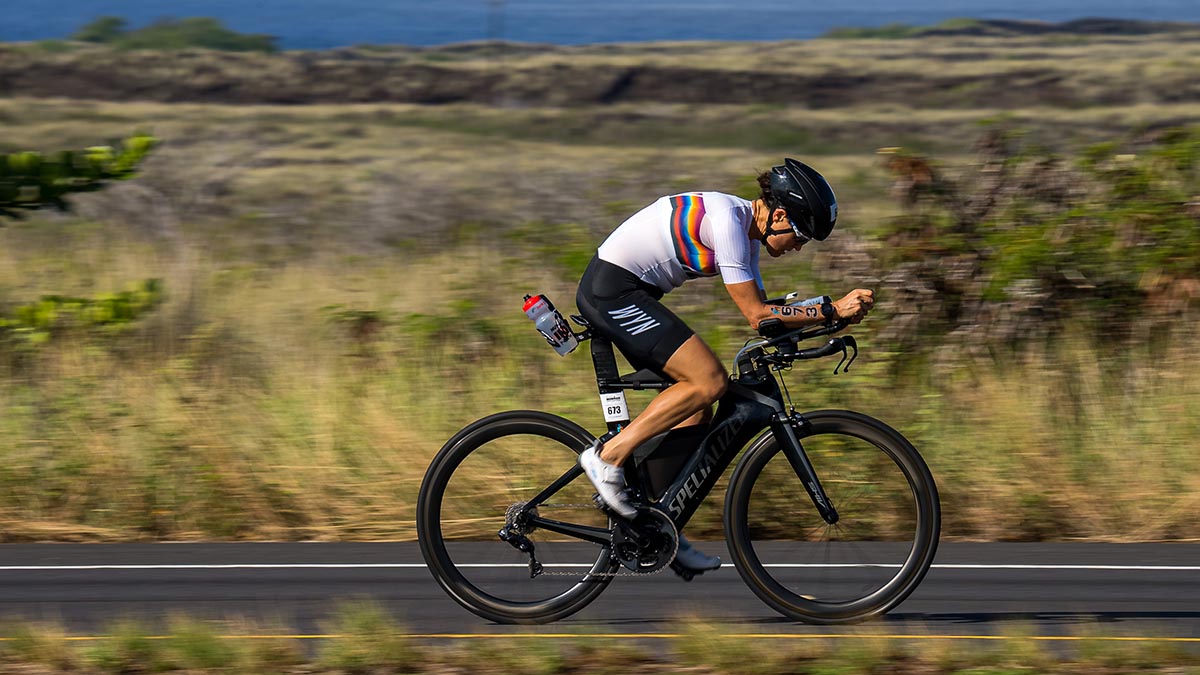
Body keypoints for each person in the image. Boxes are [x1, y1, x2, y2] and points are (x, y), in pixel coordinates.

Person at [574, 158, 874, 572]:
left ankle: (658, 527)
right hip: (613, 292)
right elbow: (756, 314)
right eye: (801, 236)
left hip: (629, 293)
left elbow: (769, 319)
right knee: (710, 380)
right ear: (780, 214)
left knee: (696, 407)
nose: (800, 247)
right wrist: (830, 309)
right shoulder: (730, 223)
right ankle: (608, 458)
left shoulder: (745, 238)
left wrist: (826, 319)